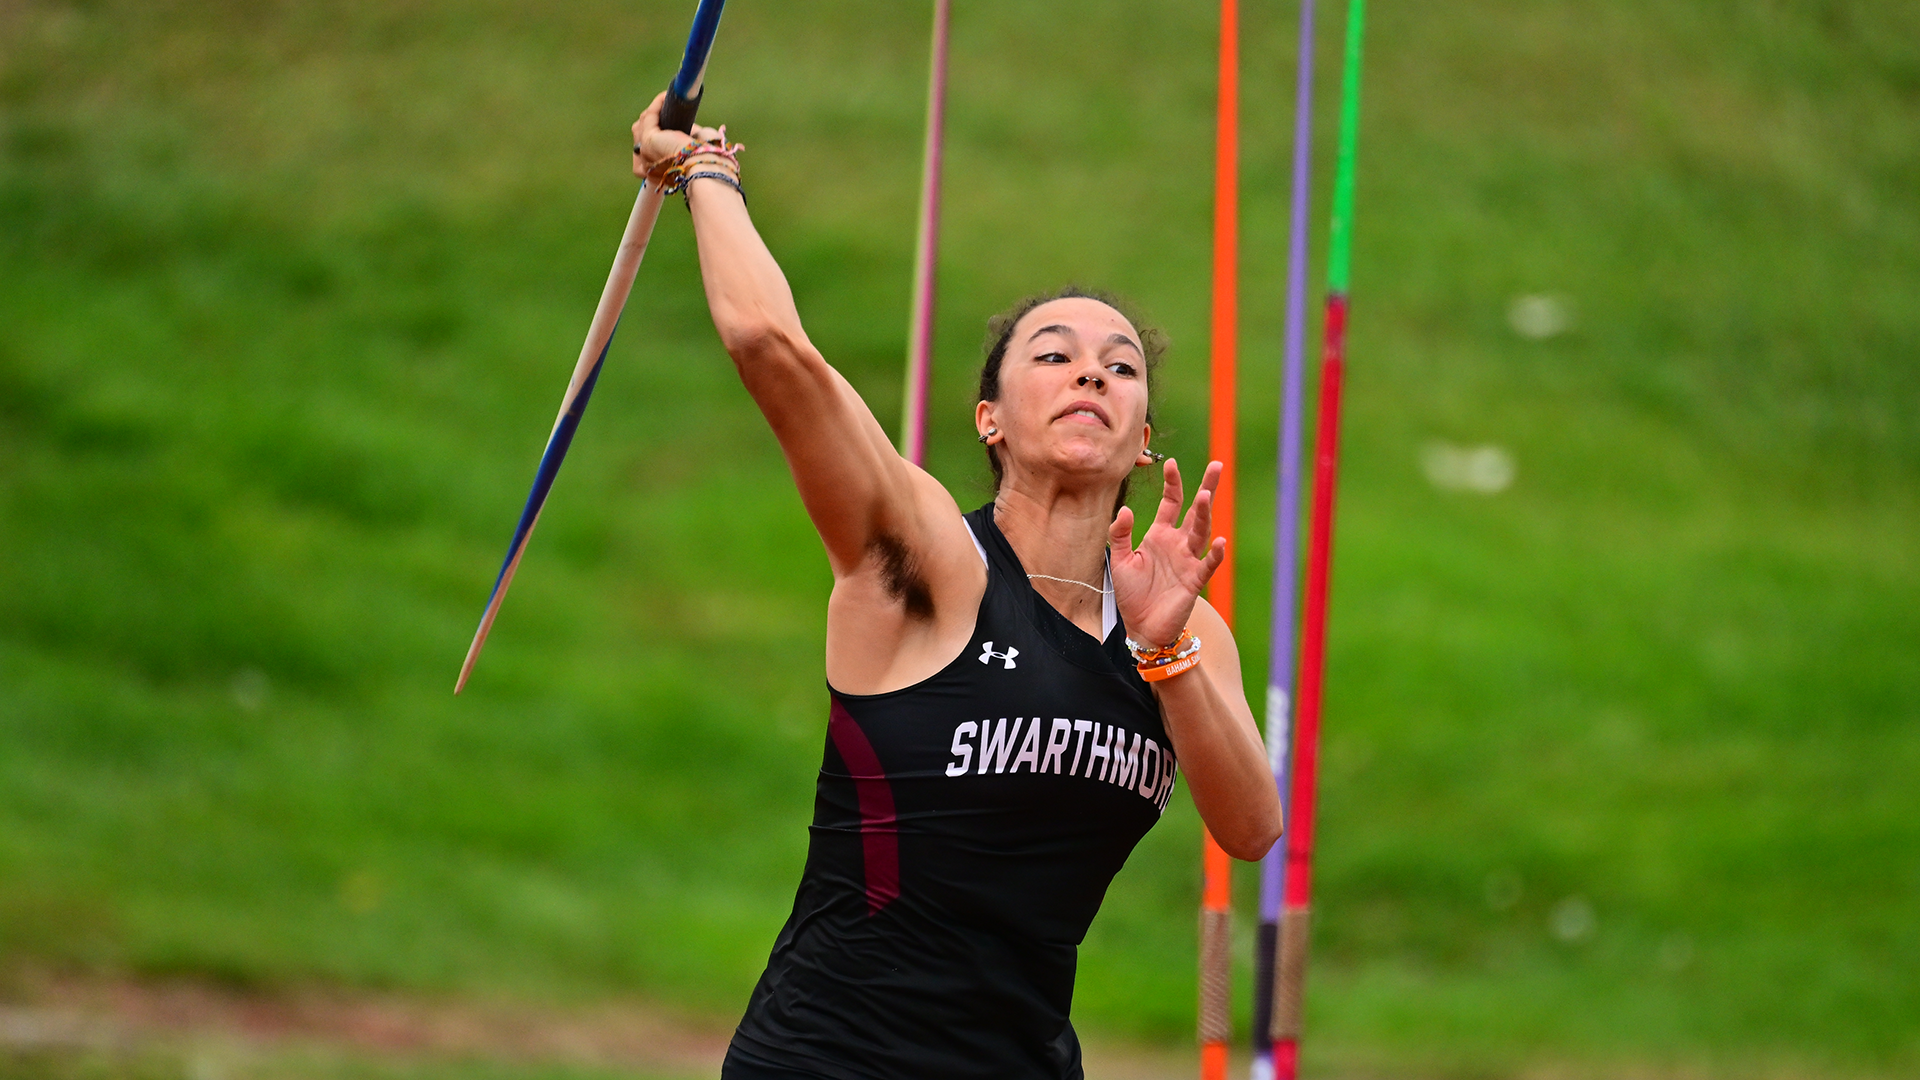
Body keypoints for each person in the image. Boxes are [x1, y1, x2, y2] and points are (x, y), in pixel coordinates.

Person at [632, 95, 1282, 1080]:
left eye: (1121, 367)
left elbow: (1251, 829)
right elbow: (774, 350)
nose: (1091, 376)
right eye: (1053, 357)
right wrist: (706, 175)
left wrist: (1164, 650)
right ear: (991, 418)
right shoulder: (932, 560)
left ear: (1145, 438)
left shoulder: (1177, 632)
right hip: (831, 1059)